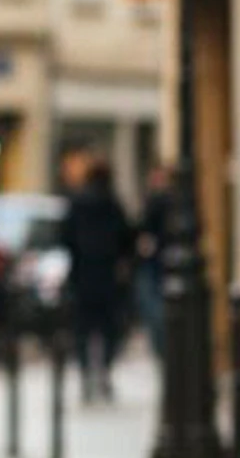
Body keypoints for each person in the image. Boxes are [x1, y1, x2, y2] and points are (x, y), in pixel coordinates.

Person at [62, 157, 135, 402]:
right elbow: (127, 238)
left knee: (82, 328)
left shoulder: (77, 202)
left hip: (82, 274)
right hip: (108, 276)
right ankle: (104, 371)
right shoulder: (113, 204)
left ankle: (85, 375)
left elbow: (65, 236)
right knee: (109, 328)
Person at [134, 161, 172, 359]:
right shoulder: (161, 200)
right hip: (159, 266)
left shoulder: (158, 201)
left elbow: (143, 234)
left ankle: (163, 350)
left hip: (157, 267)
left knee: (156, 313)